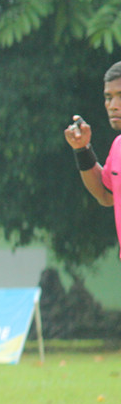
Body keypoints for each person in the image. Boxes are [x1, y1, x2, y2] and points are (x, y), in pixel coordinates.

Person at [64, 61, 121, 260]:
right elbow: (106, 195)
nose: (113, 106)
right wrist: (82, 150)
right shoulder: (118, 146)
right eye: (108, 97)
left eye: (120, 96)